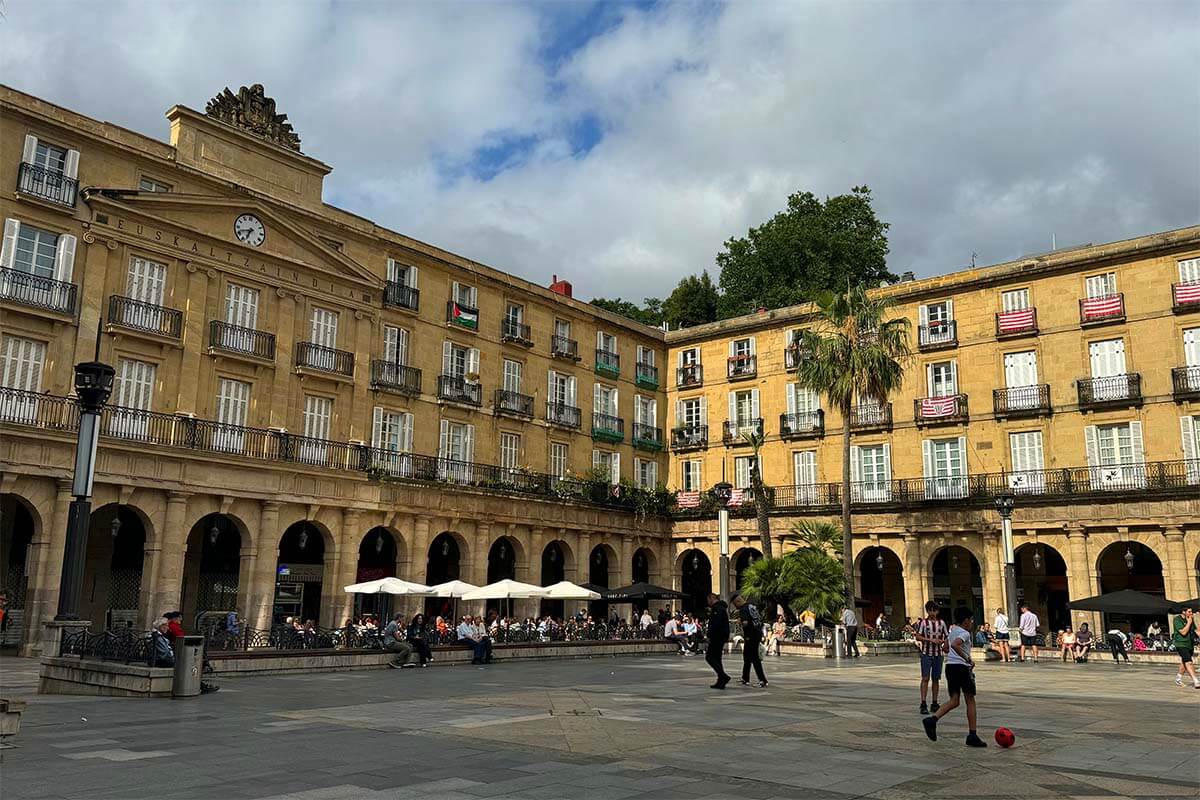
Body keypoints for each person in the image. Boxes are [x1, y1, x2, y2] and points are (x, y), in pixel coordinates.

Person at [922, 606, 987, 748]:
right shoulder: (964, 633)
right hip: (961, 668)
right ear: (965, 621)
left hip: (950, 667)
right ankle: (972, 734)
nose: (972, 623)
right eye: (971, 620)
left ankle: (932, 720)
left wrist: (951, 650)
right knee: (970, 699)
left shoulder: (952, 631)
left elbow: (946, 647)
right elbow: (955, 645)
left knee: (955, 700)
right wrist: (968, 659)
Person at [914, 600, 947, 715]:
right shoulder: (923, 623)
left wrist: (942, 642)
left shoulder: (942, 623)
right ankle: (923, 702)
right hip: (926, 653)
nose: (932, 612)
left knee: (936, 679)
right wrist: (930, 640)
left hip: (938, 654)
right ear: (927, 611)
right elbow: (918, 636)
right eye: (930, 610)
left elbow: (947, 637)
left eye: (934, 610)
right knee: (925, 678)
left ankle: (934, 702)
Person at [733, 595, 768, 687]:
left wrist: (739, 622)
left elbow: (745, 623)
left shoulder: (743, 609)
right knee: (747, 657)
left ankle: (763, 680)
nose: (735, 607)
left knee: (754, 658)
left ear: (738, 601)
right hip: (757, 633)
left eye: (735, 604)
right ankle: (745, 678)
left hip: (751, 636)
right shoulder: (751, 606)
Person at [704, 593, 731, 689]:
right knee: (717, 659)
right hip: (721, 636)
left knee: (710, 657)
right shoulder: (721, 608)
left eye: (708, 600)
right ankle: (721, 681)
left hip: (717, 636)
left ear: (712, 598)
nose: (708, 602)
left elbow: (715, 623)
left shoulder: (717, 608)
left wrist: (709, 635)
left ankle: (723, 676)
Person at [1171, 606, 1199, 689]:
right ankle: (1196, 680)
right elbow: (1183, 632)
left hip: (1189, 644)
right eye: (1189, 612)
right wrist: (1189, 622)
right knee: (1189, 662)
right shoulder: (1177, 620)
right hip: (1181, 644)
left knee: (1184, 661)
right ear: (1183, 612)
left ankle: (1178, 678)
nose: (1191, 613)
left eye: (1192, 612)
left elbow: (1196, 630)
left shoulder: (1190, 619)